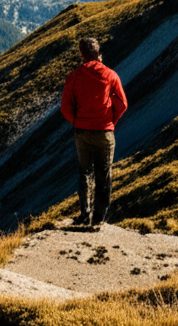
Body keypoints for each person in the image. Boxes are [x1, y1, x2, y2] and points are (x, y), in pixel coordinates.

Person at [60, 36, 128, 230]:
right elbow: (122, 104)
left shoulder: (74, 76)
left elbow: (65, 107)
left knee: (85, 172)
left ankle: (84, 214)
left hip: (82, 131)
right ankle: (98, 219)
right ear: (98, 53)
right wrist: (110, 122)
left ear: (82, 54)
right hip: (104, 131)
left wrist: (77, 121)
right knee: (103, 174)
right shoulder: (111, 75)